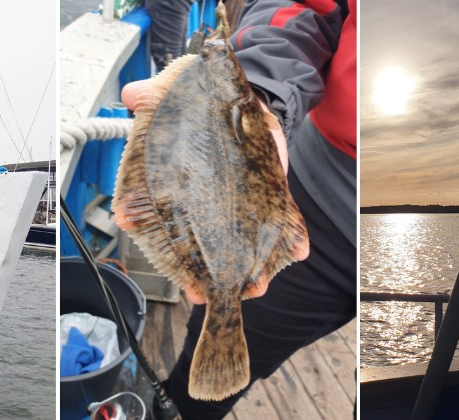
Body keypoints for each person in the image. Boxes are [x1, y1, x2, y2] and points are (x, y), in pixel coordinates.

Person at [117, 0, 356, 417]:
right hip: (321, 195)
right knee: (195, 388)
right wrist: (260, 85)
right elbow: (307, 7)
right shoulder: (238, 94)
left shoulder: (207, 87)